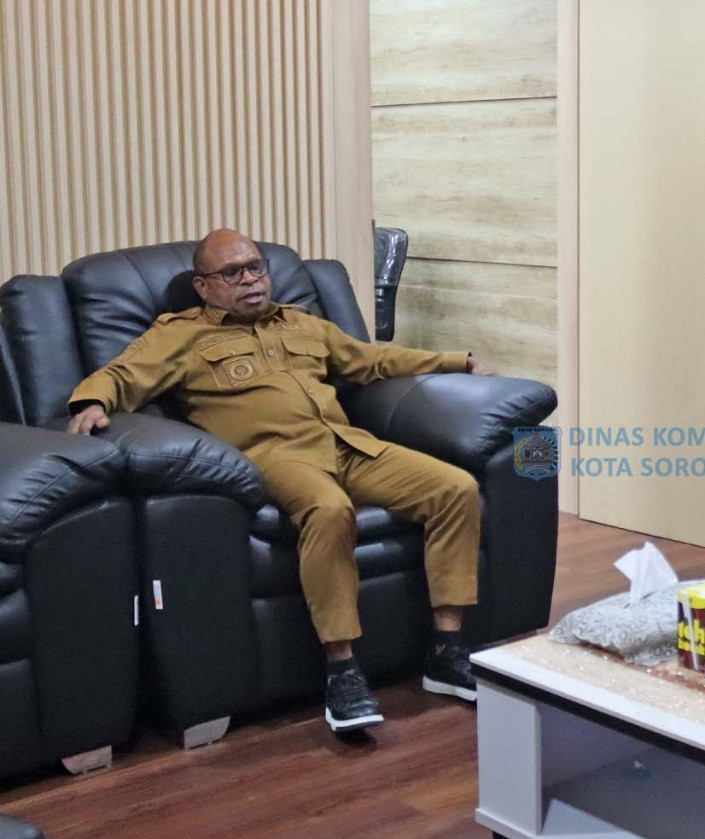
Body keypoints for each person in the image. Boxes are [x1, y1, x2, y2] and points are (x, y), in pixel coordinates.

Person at [67, 228, 495, 733]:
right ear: (203, 287)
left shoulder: (301, 322)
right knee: (329, 509)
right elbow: (122, 374)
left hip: (345, 444)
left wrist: (455, 361)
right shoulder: (179, 335)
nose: (250, 280)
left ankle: (446, 650)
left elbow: (371, 359)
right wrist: (92, 403)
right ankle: (342, 672)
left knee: (455, 488)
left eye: (256, 267)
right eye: (232, 273)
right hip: (277, 456)